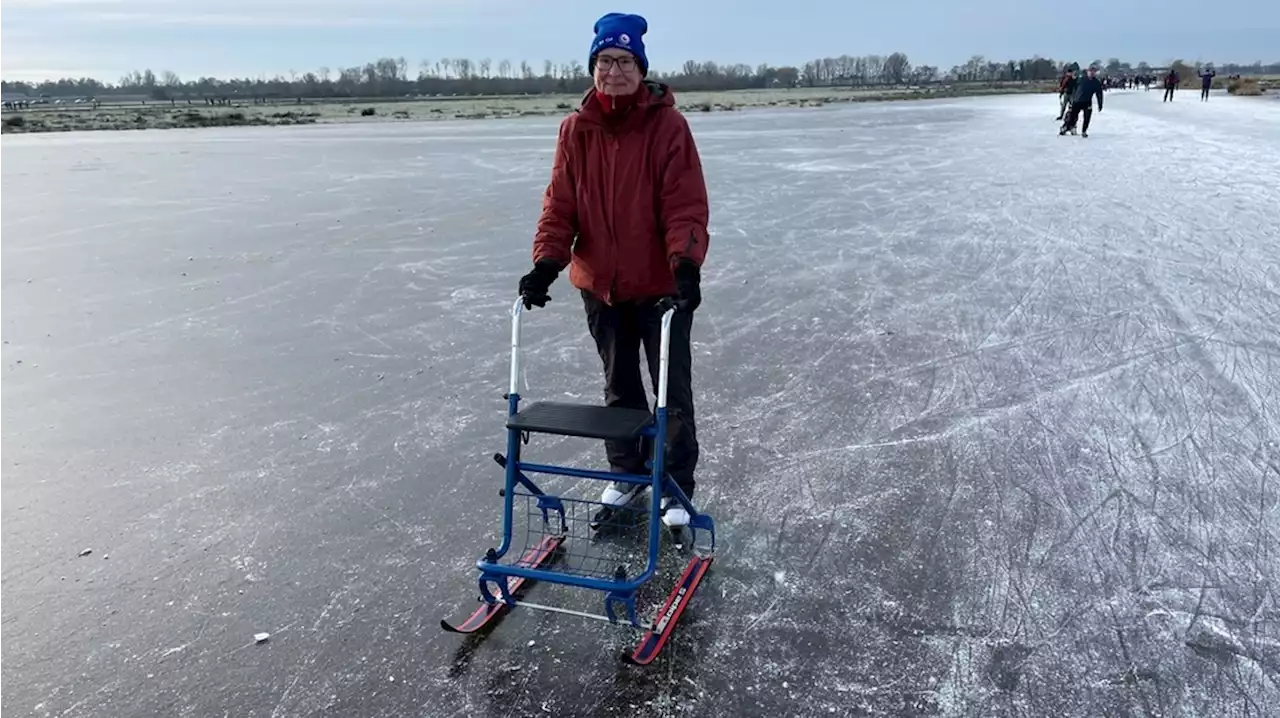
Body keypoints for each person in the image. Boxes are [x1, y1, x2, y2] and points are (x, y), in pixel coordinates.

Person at [516, 12, 710, 530]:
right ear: (593, 68)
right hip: (600, 286)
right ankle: (626, 474)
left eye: (624, 62)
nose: (614, 71)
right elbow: (560, 205)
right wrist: (546, 264)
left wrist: (686, 267)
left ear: (640, 68)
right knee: (619, 388)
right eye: (605, 62)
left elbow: (684, 204)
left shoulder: (668, 126)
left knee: (671, 391)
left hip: (660, 287)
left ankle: (673, 487)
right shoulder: (576, 129)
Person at [1060, 66, 1104, 137]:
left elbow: (1099, 94)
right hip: (1077, 101)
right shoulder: (1081, 79)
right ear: (1087, 72)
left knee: (1087, 117)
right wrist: (1069, 96)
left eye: (1093, 72)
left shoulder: (1096, 83)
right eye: (1090, 71)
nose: (1091, 73)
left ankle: (1084, 131)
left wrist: (1100, 104)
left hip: (1087, 102)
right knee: (1072, 116)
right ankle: (1066, 127)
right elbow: (1072, 86)